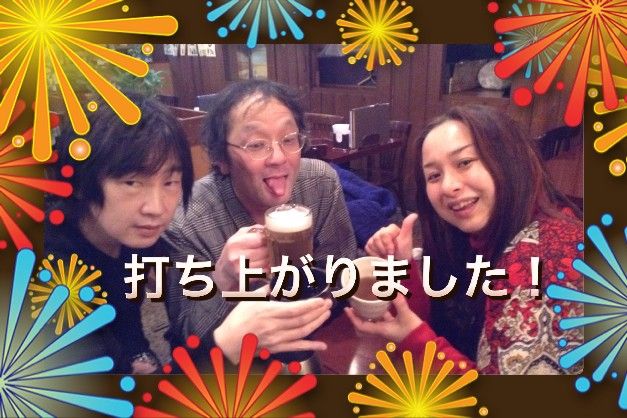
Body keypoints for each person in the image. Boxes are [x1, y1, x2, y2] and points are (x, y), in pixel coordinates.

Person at [346, 105, 583, 374]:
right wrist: (403, 264)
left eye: (464, 162)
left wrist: (416, 341)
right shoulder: (468, 238)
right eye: (434, 175)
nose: (448, 186)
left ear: (509, 159)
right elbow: (435, 326)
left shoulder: (548, 255)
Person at [165, 79, 358, 363]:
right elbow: (187, 335)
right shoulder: (187, 220)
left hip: (316, 341)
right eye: (256, 144)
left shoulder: (320, 182)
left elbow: (342, 271)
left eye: (289, 139)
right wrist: (222, 280)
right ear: (221, 158)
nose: (278, 157)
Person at [45, 95, 195, 373]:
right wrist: (224, 344)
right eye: (132, 182)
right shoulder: (50, 274)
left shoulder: (133, 235)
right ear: (80, 182)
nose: (156, 208)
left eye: (170, 182)